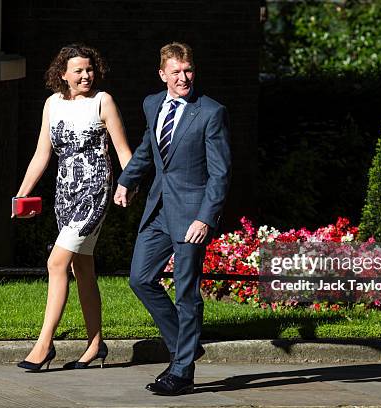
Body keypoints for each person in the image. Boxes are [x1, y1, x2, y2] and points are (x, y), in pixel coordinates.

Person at [114, 42, 231, 395]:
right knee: (140, 278)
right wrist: (126, 180)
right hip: (159, 210)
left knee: (186, 294)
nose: (183, 78)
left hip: (192, 216)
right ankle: (187, 345)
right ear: (163, 74)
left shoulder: (210, 112)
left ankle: (182, 371)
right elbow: (149, 148)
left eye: (188, 70)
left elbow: (220, 173)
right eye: (176, 72)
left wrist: (205, 218)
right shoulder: (152, 104)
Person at [13, 43, 132, 371]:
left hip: (94, 189)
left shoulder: (102, 101)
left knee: (56, 263)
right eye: (78, 70)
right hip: (64, 191)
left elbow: (123, 151)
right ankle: (95, 344)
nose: (85, 75)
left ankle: (44, 345)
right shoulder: (52, 104)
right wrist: (22, 194)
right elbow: (42, 153)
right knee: (83, 269)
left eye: (89, 69)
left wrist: (128, 184)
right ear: (62, 74)